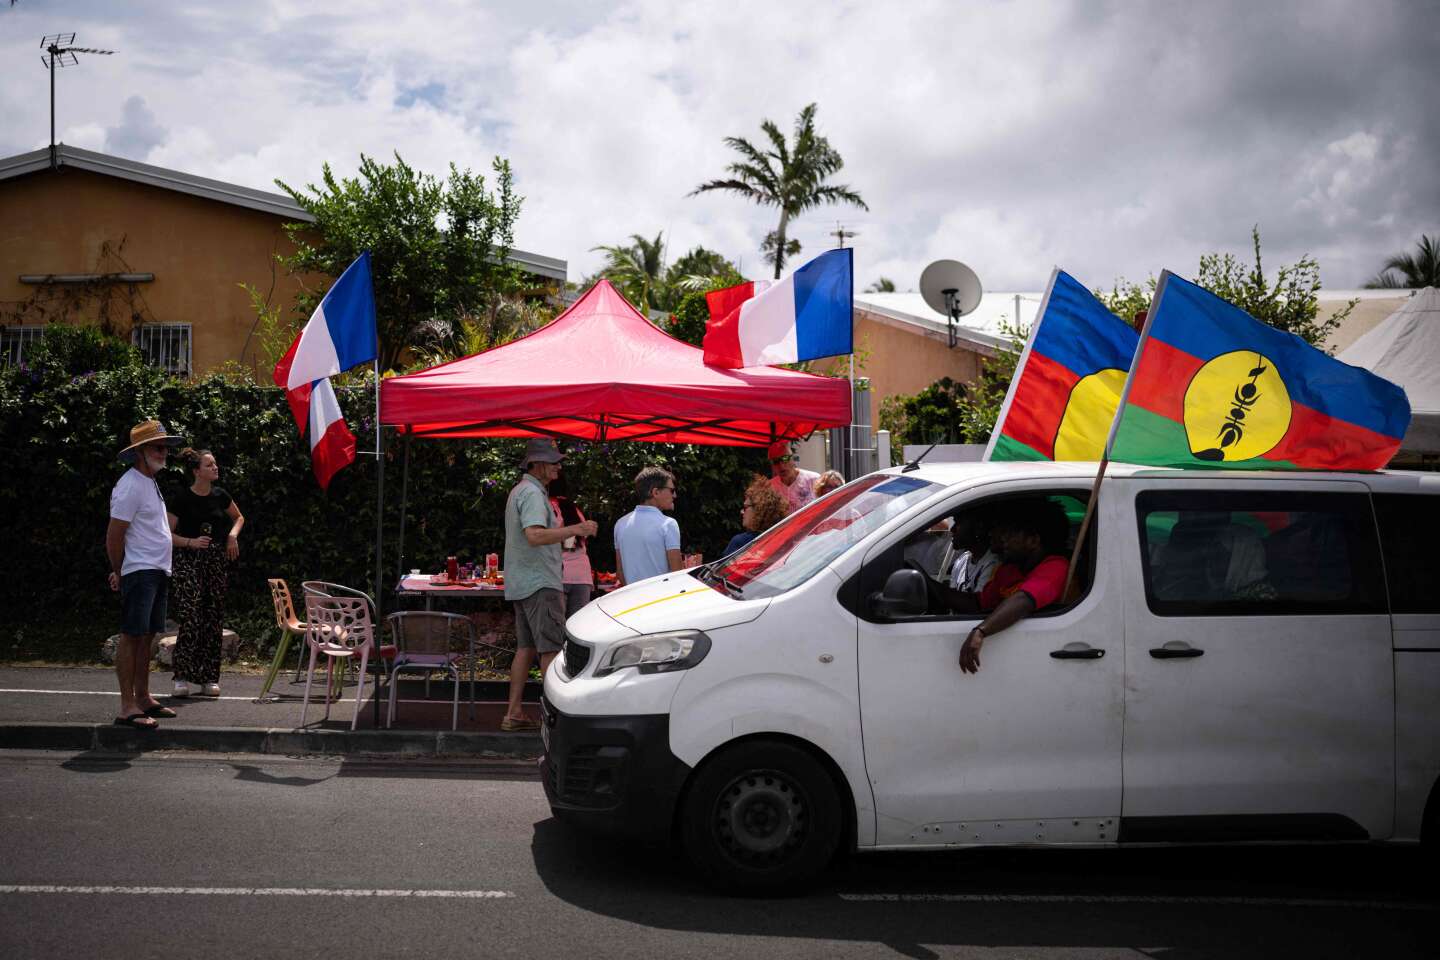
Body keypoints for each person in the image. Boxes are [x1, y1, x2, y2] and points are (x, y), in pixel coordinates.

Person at [502, 438, 597, 730]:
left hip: (522, 582)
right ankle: (554, 721)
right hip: (540, 582)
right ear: (538, 464)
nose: (558, 467)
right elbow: (535, 535)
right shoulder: (532, 493)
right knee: (551, 651)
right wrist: (576, 529)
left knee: (526, 648)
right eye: (554, 462)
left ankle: (514, 713)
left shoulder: (522, 490)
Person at [105, 420, 186, 730]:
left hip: (156, 570)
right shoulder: (129, 485)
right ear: (139, 451)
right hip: (140, 571)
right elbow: (114, 535)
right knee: (131, 635)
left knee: (148, 636)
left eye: (165, 447)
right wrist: (119, 570)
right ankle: (127, 706)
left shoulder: (149, 481)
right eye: (157, 447)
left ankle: (143, 696)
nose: (164, 452)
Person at [945, 499, 1071, 674]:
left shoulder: (1056, 567)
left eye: (1010, 533)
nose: (1002, 539)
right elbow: (978, 603)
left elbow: (1024, 598)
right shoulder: (1010, 570)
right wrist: (931, 586)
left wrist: (981, 631)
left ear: (1033, 540)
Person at [167, 447, 244, 698]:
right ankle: (181, 677)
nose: (215, 467)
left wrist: (232, 536)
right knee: (191, 618)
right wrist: (190, 542)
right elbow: (166, 535)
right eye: (210, 465)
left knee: (213, 619)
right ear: (196, 470)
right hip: (188, 561)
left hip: (215, 562)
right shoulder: (181, 498)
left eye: (215, 464)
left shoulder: (220, 494)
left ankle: (209, 677)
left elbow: (239, 518)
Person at [614, 466, 682, 586]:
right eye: (671, 490)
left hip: (632, 600)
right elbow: (677, 574)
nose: (674, 495)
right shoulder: (668, 524)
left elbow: (620, 573)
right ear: (655, 492)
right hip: (662, 599)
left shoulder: (620, 523)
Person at [548, 476, 594, 616]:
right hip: (582, 576)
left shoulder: (547, 507)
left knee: (556, 627)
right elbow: (579, 539)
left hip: (558, 575)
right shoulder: (574, 509)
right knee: (577, 627)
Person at [724, 476, 789, 555]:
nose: (741, 512)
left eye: (745, 507)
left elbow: (724, 567)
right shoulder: (784, 539)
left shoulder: (740, 542)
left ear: (758, 510)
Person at [947, 510, 1000, 593]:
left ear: (979, 527)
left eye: (958, 523)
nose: (952, 529)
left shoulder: (993, 563)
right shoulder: (962, 560)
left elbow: (978, 603)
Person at [766, 441, 820, 512]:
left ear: (793, 458)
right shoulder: (769, 487)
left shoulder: (814, 479)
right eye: (776, 461)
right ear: (772, 465)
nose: (781, 466)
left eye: (785, 458)